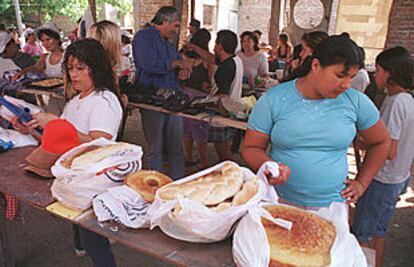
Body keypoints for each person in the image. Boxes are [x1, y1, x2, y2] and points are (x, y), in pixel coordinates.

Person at [241, 35, 391, 209]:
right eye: (340, 75)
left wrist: (362, 183)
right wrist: (269, 166)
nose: (346, 85)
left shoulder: (355, 101)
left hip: (332, 205)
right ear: (315, 65)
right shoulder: (274, 99)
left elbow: (381, 142)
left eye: (351, 77)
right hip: (277, 200)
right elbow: (251, 148)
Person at [12, 38, 123, 267]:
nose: (74, 74)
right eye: (70, 68)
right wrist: (31, 130)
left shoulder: (104, 100)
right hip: (74, 176)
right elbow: (58, 142)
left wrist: (56, 122)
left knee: (94, 240)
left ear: (96, 68)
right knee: (78, 224)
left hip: (94, 180)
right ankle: (79, 243)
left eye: (81, 68)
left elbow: (101, 143)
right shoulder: (75, 102)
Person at [351, 47, 414, 267]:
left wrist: (361, 141)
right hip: (398, 178)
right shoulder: (408, 99)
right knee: (379, 231)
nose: (374, 76)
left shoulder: (395, 103)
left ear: (389, 73)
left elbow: (389, 150)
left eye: (377, 71)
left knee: (361, 234)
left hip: (382, 180)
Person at [132, 6, 191, 179]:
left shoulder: (168, 42)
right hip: (152, 101)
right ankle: (155, 187)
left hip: (173, 100)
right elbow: (148, 64)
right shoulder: (143, 37)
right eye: (175, 25)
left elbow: (179, 62)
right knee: (155, 149)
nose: (176, 30)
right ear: (164, 21)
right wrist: (175, 65)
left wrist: (183, 70)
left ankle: (177, 185)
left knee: (176, 147)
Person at [14, 23, 66, 115]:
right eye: (42, 41)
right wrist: (22, 72)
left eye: (48, 39)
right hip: (54, 98)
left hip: (68, 97)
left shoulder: (67, 56)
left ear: (57, 39)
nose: (45, 43)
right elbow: (35, 67)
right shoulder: (45, 57)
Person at [181, 29, 213, 168]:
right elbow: (211, 80)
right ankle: (204, 161)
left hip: (185, 94)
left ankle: (187, 155)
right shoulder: (206, 59)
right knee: (200, 130)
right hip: (201, 97)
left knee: (187, 128)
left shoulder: (183, 55)